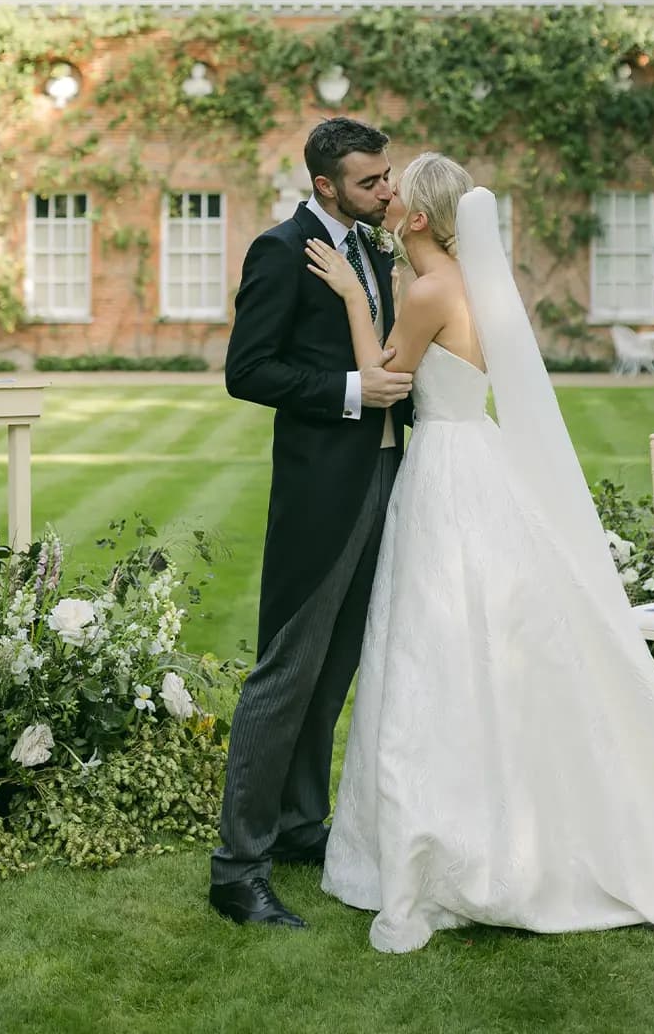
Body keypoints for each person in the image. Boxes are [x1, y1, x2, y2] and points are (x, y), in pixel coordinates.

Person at [308, 151, 654, 954]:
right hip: (481, 461)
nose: (386, 203)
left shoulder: (431, 289)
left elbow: (382, 378)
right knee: (474, 638)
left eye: (396, 196)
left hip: (444, 469)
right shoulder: (470, 286)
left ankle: (454, 834)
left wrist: (347, 297)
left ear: (418, 221)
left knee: (435, 644)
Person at [208, 117, 413, 929]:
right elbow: (248, 370)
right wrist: (354, 393)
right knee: (286, 672)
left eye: (388, 176)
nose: (386, 191)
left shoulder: (373, 249)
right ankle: (236, 870)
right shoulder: (280, 250)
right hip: (321, 490)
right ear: (326, 186)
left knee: (334, 673)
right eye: (370, 182)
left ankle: (299, 830)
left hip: (389, 477)